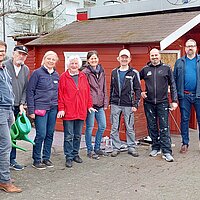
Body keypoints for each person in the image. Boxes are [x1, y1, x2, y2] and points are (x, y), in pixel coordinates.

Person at [140, 48, 178, 162]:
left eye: (156, 55)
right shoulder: (145, 70)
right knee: (152, 127)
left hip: (162, 102)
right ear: (150, 57)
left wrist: (174, 100)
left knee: (164, 127)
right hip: (149, 103)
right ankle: (155, 147)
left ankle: (166, 151)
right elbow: (135, 81)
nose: (154, 57)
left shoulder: (166, 69)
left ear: (159, 56)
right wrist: (141, 92)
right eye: (152, 55)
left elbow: (173, 84)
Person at [57, 55, 95, 168]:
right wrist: (61, 108)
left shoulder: (83, 76)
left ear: (79, 65)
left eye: (76, 63)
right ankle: (68, 156)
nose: (74, 65)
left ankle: (75, 154)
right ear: (68, 64)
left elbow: (87, 93)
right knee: (69, 135)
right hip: (68, 111)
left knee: (78, 135)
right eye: (72, 63)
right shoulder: (63, 77)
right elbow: (60, 94)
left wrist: (89, 106)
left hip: (81, 110)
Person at [27, 51, 59, 170]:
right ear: (44, 59)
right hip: (40, 108)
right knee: (41, 134)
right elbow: (30, 91)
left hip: (53, 108)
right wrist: (31, 110)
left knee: (50, 134)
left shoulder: (56, 75)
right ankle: (36, 159)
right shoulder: (37, 73)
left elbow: (57, 92)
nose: (51, 61)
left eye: (53, 59)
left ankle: (46, 157)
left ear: (55, 62)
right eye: (49, 59)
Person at [110, 49, 141, 157]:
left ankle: (131, 147)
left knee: (129, 127)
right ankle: (115, 147)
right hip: (115, 104)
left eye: (126, 57)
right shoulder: (114, 72)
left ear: (129, 59)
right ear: (118, 58)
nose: (124, 59)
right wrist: (110, 101)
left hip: (129, 104)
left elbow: (138, 90)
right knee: (114, 127)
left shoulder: (134, 73)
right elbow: (111, 88)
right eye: (122, 57)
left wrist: (136, 104)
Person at [0, 40, 22, 193]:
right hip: (0, 110)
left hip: (8, 109)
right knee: (5, 145)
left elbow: (9, 89)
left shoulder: (3, 68)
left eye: (3, 50)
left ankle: (2, 176)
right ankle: (4, 181)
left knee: (3, 145)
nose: (1, 52)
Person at [4, 45, 29, 171]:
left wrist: (22, 104)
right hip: (4, 106)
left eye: (24, 55)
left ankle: (11, 160)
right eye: (19, 53)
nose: (21, 56)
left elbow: (25, 89)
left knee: (13, 135)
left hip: (17, 106)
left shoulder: (26, 70)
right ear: (13, 53)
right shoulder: (4, 66)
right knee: (4, 136)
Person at [174, 39, 200, 153]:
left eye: (192, 46)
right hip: (184, 95)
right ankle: (185, 143)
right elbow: (174, 79)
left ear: (196, 48)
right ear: (185, 48)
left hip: (199, 95)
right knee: (184, 119)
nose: (190, 48)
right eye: (188, 46)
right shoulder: (179, 62)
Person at [82, 51, 109, 159]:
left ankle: (97, 148)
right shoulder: (85, 72)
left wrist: (105, 102)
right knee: (90, 127)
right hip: (90, 105)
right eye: (91, 59)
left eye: (95, 58)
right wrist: (88, 104)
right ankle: (90, 150)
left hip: (100, 103)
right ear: (88, 60)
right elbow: (84, 90)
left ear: (98, 59)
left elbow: (104, 87)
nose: (94, 60)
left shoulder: (101, 71)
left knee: (102, 126)